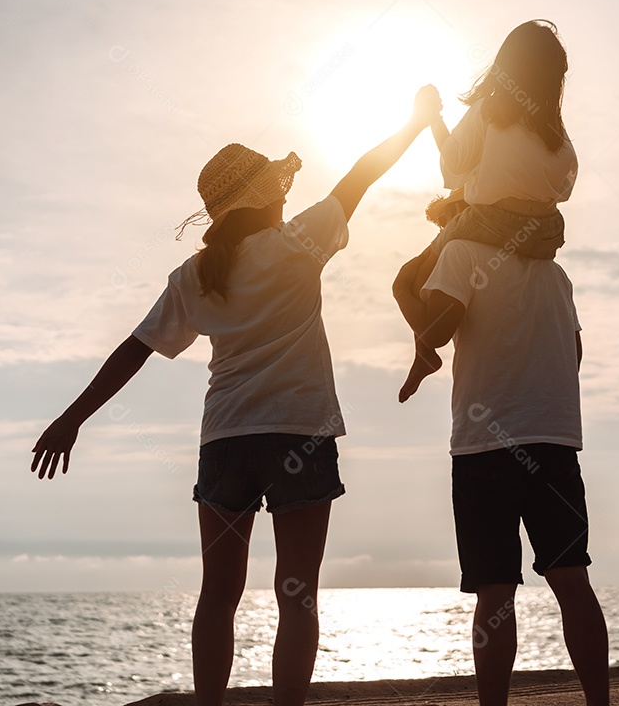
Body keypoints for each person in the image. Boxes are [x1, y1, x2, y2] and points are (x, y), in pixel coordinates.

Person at [29, 85, 442, 706]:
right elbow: (363, 173)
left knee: (217, 595)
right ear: (272, 195)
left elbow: (134, 349)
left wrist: (71, 419)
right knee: (296, 593)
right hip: (300, 432)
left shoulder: (196, 274)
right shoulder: (301, 242)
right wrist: (416, 122)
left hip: (226, 440)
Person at [391, 26, 609, 706]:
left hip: (485, 444)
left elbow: (456, 170)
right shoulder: (559, 272)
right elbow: (572, 354)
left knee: (494, 594)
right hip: (553, 438)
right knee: (572, 581)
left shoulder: (461, 253)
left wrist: (430, 120)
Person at [395, 19, 579, 403]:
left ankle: (424, 352)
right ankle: (422, 353)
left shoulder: (488, 112)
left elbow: (454, 165)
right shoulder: (557, 135)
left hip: (489, 223)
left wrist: (433, 119)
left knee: (410, 278)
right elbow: (563, 186)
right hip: (544, 234)